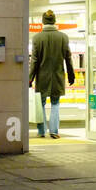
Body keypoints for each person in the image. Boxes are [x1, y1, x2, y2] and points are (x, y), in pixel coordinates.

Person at [29, 9, 75, 139]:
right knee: (55, 104)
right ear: (54, 21)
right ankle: (54, 131)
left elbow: (34, 61)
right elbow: (68, 58)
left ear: (43, 21)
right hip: (57, 76)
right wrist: (71, 75)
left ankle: (42, 131)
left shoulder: (37, 38)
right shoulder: (63, 37)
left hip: (42, 77)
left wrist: (30, 78)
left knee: (41, 104)